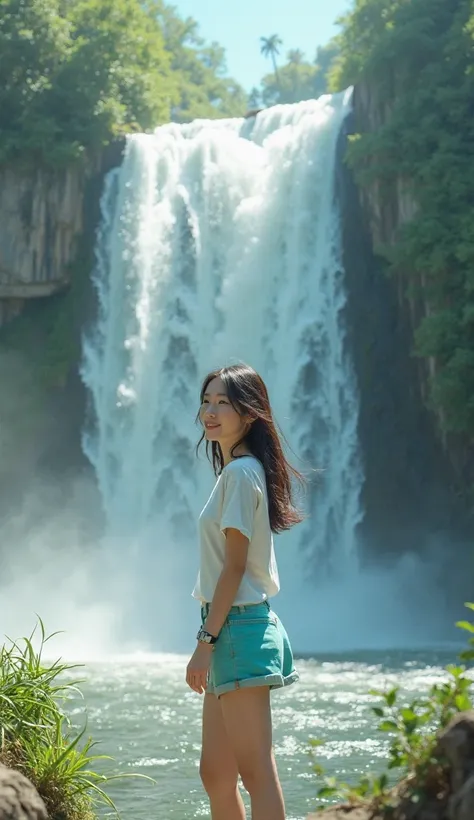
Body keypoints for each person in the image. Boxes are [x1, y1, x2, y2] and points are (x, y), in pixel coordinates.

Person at [186, 363, 304, 820]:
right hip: (229, 629)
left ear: (250, 415)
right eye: (206, 401)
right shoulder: (242, 471)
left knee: (256, 771)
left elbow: (235, 567)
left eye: (224, 403)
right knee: (216, 773)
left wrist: (205, 643)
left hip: (235, 630)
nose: (210, 412)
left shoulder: (239, 475)